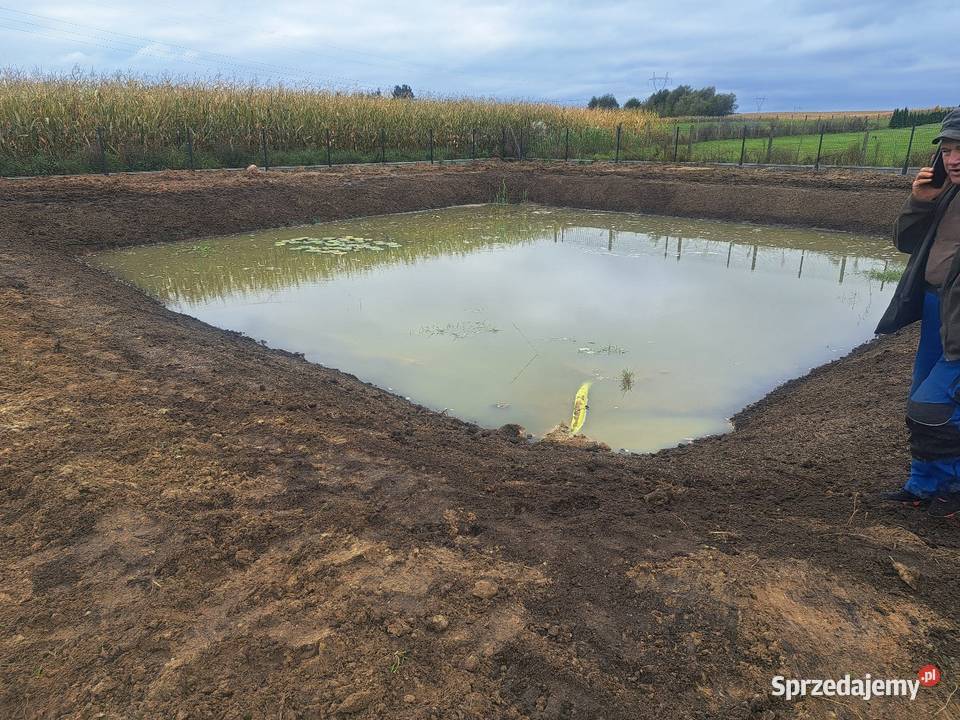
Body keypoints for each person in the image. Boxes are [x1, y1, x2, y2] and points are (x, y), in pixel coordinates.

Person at [877, 108, 960, 517]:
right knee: (921, 398)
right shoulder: (946, 194)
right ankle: (924, 485)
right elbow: (905, 242)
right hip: (935, 307)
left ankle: (953, 484)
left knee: (933, 405)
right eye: (947, 150)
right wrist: (919, 202)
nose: (954, 158)